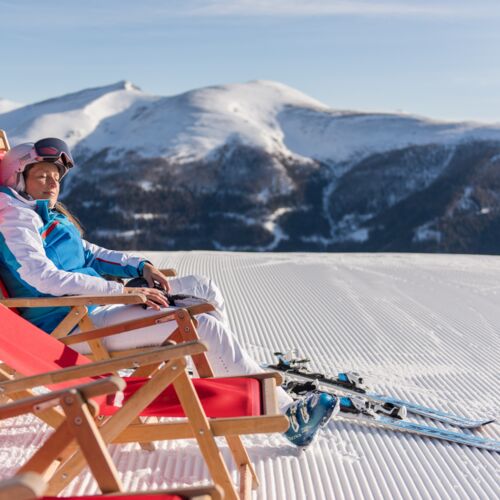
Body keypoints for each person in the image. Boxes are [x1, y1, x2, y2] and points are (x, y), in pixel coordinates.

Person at [0, 137, 338, 447]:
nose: (53, 183)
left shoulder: (41, 213)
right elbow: (42, 277)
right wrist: (116, 291)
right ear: (17, 176)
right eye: (42, 175)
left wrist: (139, 268)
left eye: (56, 176)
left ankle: (221, 367)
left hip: (94, 306)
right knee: (202, 327)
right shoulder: (14, 220)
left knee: (201, 288)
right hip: (70, 326)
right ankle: (285, 417)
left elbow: (88, 253)